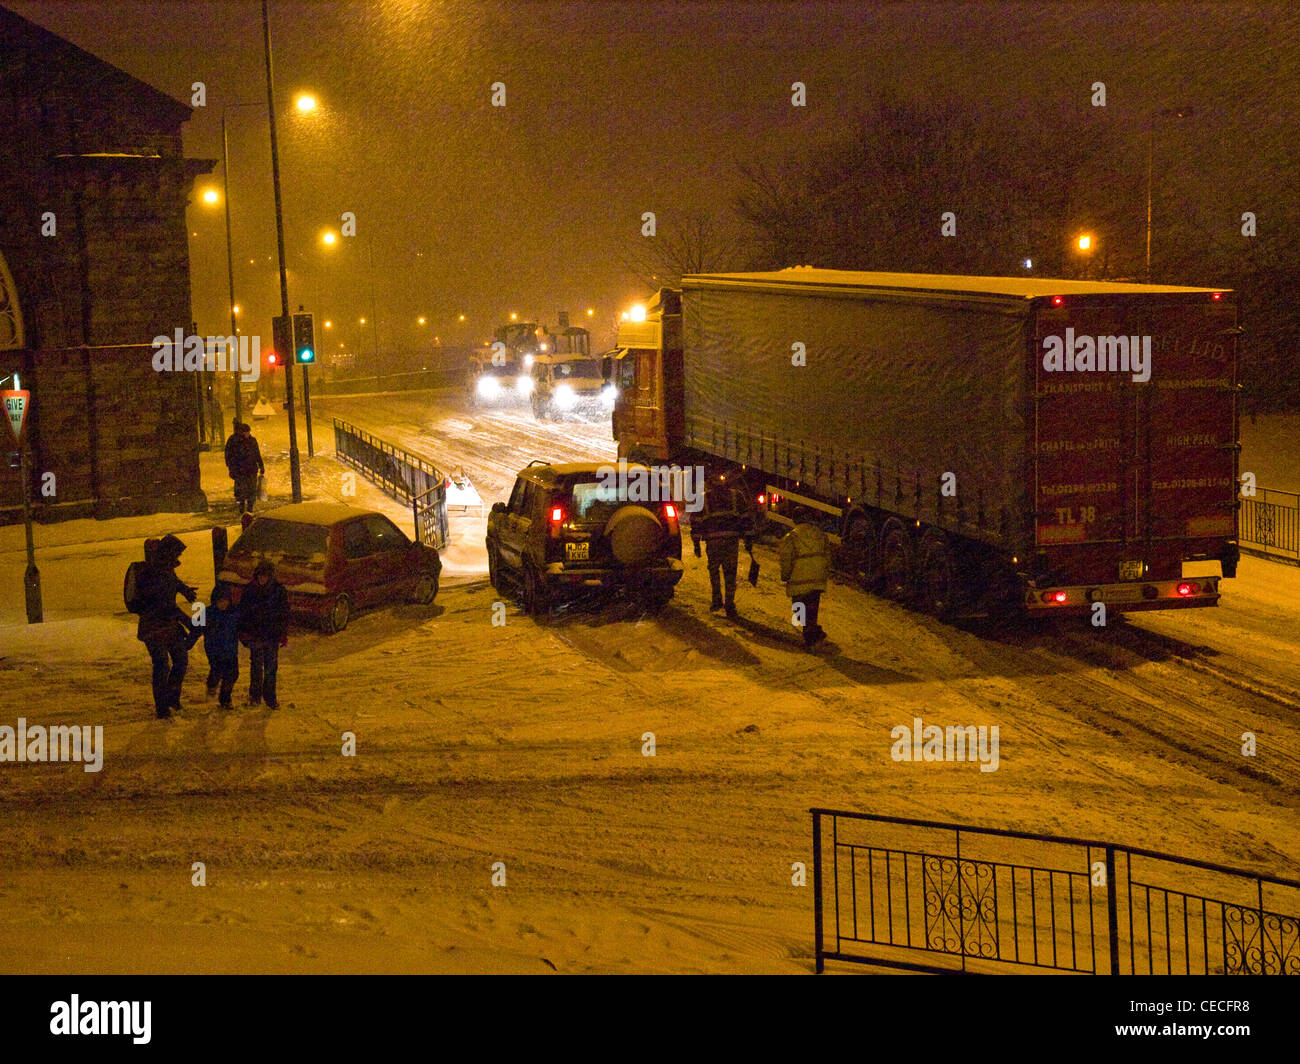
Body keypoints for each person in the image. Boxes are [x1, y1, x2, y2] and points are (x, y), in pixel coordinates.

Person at [135, 533, 198, 719]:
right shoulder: (153, 573)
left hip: (168, 624)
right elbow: (166, 605)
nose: (178, 558)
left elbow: (174, 582)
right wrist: (188, 622)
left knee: (180, 660)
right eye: (176, 554)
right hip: (153, 626)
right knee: (162, 664)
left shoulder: (166, 568)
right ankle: (162, 707)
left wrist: (185, 590)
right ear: (169, 553)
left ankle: (172, 698)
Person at [690, 472, 756, 620]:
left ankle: (716, 600)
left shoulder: (703, 498)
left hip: (713, 542)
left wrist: (696, 544)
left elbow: (695, 521)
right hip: (731, 541)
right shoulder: (736, 495)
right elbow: (746, 518)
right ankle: (730, 604)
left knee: (714, 571)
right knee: (730, 573)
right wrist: (748, 539)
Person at [237, 559, 289, 709]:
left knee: (271, 668)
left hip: (271, 636)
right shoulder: (250, 591)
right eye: (260, 576)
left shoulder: (278, 591)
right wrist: (244, 632)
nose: (262, 579)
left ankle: (270, 697)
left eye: (265, 576)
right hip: (256, 635)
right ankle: (255, 696)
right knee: (256, 667)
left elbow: (283, 613)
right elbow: (243, 613)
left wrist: (282, 633)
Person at [779, 509, 833, 650]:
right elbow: (827, 556)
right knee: (812, 611)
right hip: (817, 581)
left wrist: (785, 576)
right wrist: (823, 573)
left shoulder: (791, 538)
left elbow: (786, 560)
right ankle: (815, 635)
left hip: (800, 582)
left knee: (799, 612)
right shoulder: (820, 534)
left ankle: (812, 640)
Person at [203, 584, 240, 709]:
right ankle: (212, 685)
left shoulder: (234, 612)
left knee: (232, 674)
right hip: (215, 651)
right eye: (220, 601)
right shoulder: (208, 613)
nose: (223, 604)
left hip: (230, 650)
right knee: (217, 671)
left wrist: (247, 640)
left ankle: (225, 698)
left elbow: (241, 628)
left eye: (225, 601)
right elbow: (196, 629)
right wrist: (188, 643)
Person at [224, 421, 265, 514]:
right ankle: (241, 507)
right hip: (240, 470)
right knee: (241, 490)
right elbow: (229, 456)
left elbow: (257, 453)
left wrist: (261, 465)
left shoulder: (252, 440)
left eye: (248, 432)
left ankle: (250, 508)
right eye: (246, 432)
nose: (247, 434)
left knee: (251, 489)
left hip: (251, 469)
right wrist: (231, 468)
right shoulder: (234, 441)